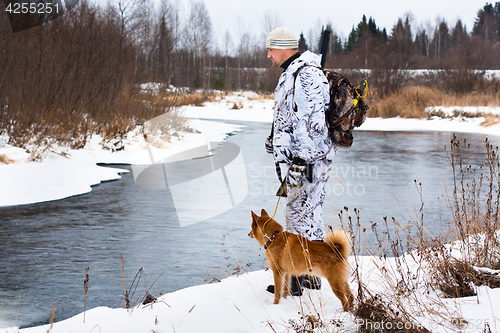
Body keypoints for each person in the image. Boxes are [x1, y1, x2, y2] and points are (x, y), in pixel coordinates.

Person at [265, 27, 336, 296]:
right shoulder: (294, 72)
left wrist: (300, 161)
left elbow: (311, 124)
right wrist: (276, 142)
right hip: (302, 158)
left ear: (283, 47)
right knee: (302, 213)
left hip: (308, 160)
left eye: (271, 49)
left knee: (301, 214)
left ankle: (301, 277)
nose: (268, 55)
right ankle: (307, 275)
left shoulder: (305, 74)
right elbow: (291, 118)